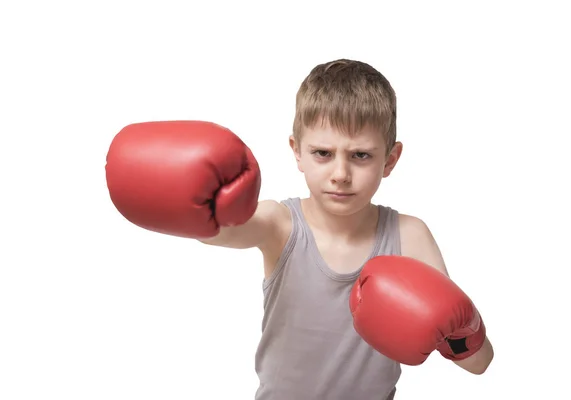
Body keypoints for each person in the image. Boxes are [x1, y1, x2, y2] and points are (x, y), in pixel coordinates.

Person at [105, 59, 494, 399]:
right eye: (323, 153)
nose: (340, 174)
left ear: (390, 160)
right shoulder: (280, 224)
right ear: (297, 152)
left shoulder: (410, 236)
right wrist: (191, 200)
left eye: (360, 155)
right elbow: (219, 230)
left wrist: (462, 332)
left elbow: (478, 362)